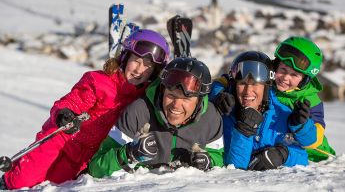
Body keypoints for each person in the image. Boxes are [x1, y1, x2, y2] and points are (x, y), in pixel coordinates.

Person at [1, 29, 170, 189]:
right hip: (61, 141)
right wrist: (65, 114)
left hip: (83, 159)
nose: (139, 70)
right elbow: (72, 101)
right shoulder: (99, 82)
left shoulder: (142, 98)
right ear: (125, 58)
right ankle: (5, 184)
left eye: (148, 65)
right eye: (136, 60)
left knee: (54, 187)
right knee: (20, 181)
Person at [88, 57, 224, 178]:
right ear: (162, 90)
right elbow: (96, 168)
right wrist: (129, 154)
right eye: (171, 95)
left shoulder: (210, 118)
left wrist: (209, 161)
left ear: (199, 100)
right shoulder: (139, 112)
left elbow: (219, 157)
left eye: (186, 99)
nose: (176, 105)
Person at [210, 51, 308, 170]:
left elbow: (302, 156)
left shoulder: (280, 114)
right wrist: (244, 130)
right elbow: (234, 168)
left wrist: (282, 154)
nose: (247, 91)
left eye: (255, 84)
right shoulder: (223, 115)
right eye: (242, 83)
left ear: (266, 86)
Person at [273, 36, 336, 161]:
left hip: (313, 155)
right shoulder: (267, 85)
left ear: (304, 80)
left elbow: (316, 139)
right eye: (283, 69)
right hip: (277, 146)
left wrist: (302, 125)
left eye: (294, 75)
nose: (285, 77)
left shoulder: (310, 100)